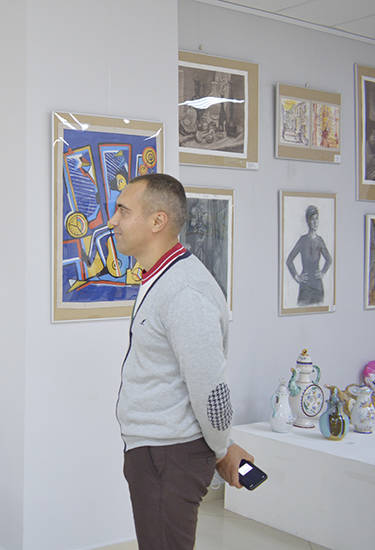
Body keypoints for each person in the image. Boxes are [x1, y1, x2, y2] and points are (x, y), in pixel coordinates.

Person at [108, 173, 253, 550]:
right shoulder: (162, 278)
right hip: (157, 452)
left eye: (123, 211)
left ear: (158, 221)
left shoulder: (185, 292)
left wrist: (222, 448)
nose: (112, 221)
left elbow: (211, 390)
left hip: (168, 457)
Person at [285, 205, 332, 306]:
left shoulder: (319, 241)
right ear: (308, 221)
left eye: (317, 218)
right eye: (312, 219)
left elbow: (329, 259)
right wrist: (297, 277)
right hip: (305, 286)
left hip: (317, 286)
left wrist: (323, 272)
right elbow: (289, 261)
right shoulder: (303, 240)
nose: (315, 222)